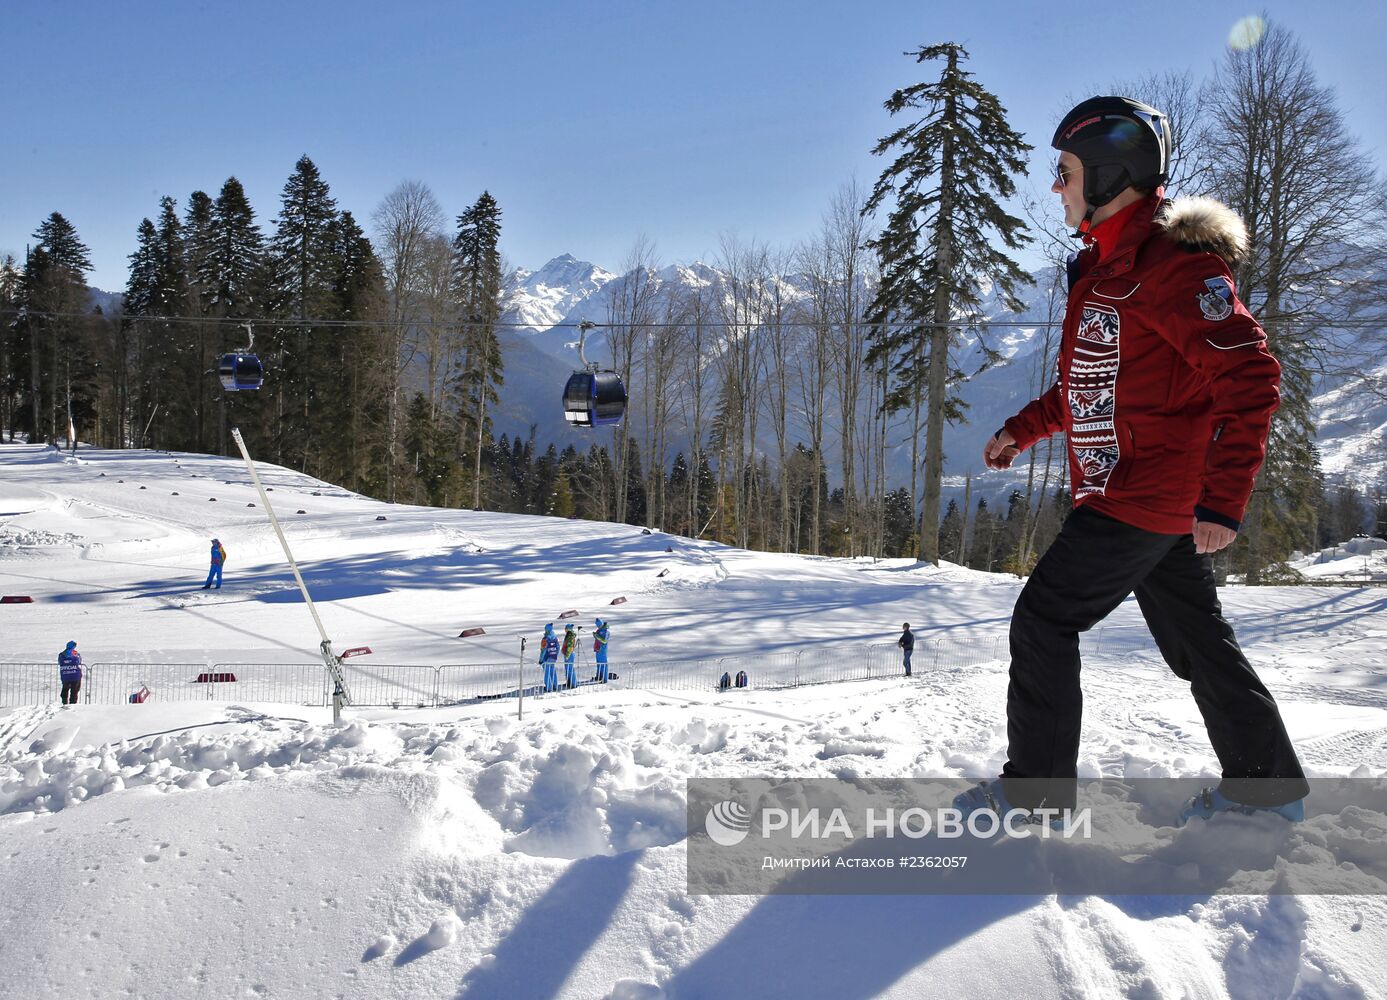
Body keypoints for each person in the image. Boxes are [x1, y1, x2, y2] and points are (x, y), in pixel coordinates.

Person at [958, 96, 1307, 825]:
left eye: (1065, 172)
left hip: (1139, 495)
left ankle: (1035, 797)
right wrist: (1021, 431)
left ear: (1111, 176)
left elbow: (1250, 377)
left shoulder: (1171, 269)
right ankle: (1264, 790)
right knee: (1196, 643)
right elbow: (1098, 386)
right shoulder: (1111, 265)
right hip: (1145, 495)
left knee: (1043, 621)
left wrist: (1222, 498)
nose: (1055, 186)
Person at [58, 640, 82, 705]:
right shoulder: (76, 654)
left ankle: (64, 702)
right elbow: (79, 661)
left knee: (65, 688)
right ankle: (72, 704)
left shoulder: (61, 654)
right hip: (75, 675)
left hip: (65, 675)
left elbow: (59, 662)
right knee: (74, 691)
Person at [538, 624, 560, 693]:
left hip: (546, 657)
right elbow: (558, 647)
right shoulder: (555, 638)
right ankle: (555, 685)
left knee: (547, 672)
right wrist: (555, 655)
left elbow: (543, 650)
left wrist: (541, 660)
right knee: (553, 671)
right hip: (553, 657)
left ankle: (549, 687)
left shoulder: (545, 639)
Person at [562, 624, 580, 689]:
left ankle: (573, 683)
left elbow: (570, 646)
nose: (565, 629)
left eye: (566, 628)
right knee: (567, 669)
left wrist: (567, 654)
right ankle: (569, 682)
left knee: (570, 669)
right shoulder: (568, 635)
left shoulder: (570, 636)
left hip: (569, 654)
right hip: (567, 653)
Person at [592, 618, 611, 682]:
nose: (598, 626)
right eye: (597, 625)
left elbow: (604, 641)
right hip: (598, 649)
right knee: (599, 664)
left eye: (598, 625)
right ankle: (599, 676)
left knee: (603, 664)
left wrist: (596, 636)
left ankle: (604, 678)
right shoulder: (599, 630)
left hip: (602, 650)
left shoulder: (606, 631)